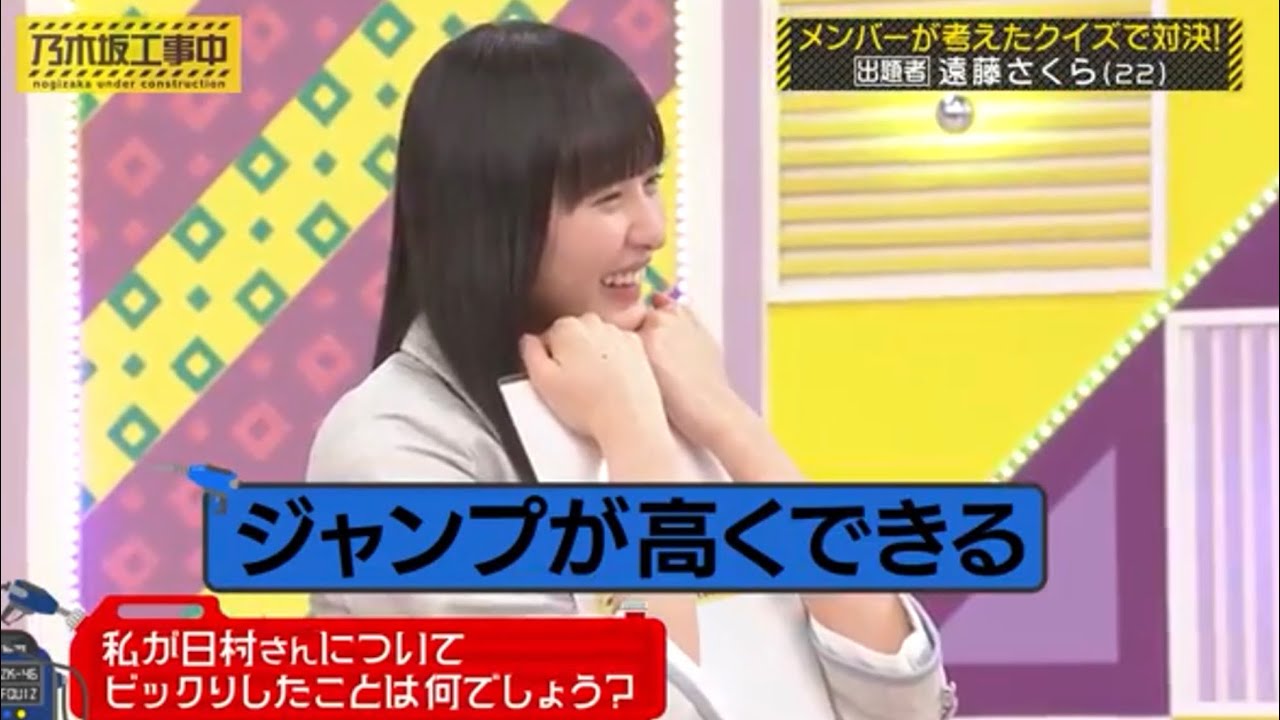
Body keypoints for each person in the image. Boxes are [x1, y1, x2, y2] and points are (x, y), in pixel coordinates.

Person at [307, 21, 956, 720]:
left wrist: (729, 422)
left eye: (649, 184)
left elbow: (902, 699)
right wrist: (634, 440)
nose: (651, 229)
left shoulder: (658, 377)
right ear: (492, 219)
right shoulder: (395, 448)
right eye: (607, 199)